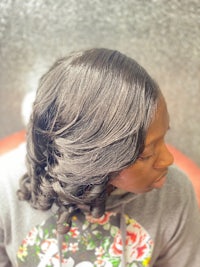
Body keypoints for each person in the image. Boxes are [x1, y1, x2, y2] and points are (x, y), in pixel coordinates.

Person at [0, 48, 200, 267]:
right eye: (146, 154)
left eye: (164, 137)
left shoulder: (175, 194)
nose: (168, 159)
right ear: (93, 163)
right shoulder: (5, 191)